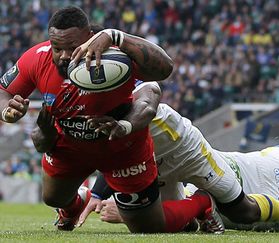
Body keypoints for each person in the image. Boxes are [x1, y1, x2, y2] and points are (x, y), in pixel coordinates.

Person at [0, 6, 222, 234]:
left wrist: (117, 36)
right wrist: (7, 110)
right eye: (58, 48)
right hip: (71, 145)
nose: (64, 56)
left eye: (72, 48)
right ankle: (73, 208)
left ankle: (201, 202)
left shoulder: (116, 59)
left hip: (122, 148)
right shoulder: (38, 58)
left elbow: (164, 70)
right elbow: (2, 91)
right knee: (53, 197)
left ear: (89, 38)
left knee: (148, 227)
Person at [73, 82, 279, 234]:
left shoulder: (166, 184)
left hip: (252, 206)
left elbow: (135, 173)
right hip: (257, 167)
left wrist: (124, 211)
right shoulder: (151, 123)